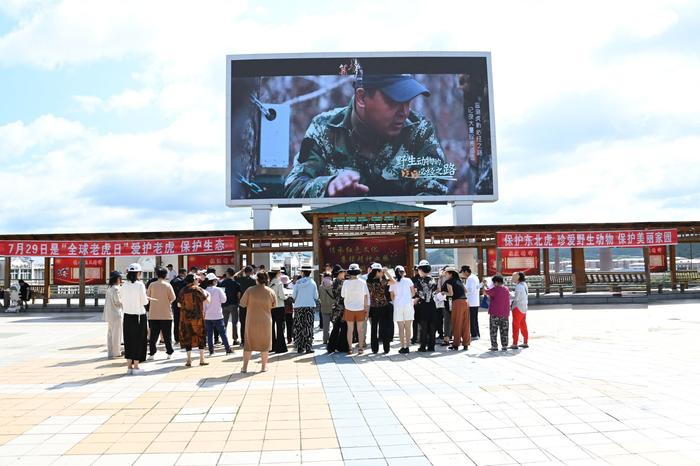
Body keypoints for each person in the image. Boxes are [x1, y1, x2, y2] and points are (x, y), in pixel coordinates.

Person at [284, 69, 449, 198]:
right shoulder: (325, 128)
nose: (404, 112)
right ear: (362, 98)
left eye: (408, 101)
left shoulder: (419, 131)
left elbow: (434, 194)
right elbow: (294, 186)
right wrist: (328, 187)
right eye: (395, 101)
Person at [239, 271, 275, 373]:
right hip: (265, 320)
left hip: (251, 320)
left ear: (256, 280)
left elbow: (242, 304)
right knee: (265, 344)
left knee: (249, 344)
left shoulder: (250, 290)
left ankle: (245, 367)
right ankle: (264, 367)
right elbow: (273, 305)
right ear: (267, 280)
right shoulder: (270, 291)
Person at [121, 263, 149, 374]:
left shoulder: (124, 285)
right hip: (139, 316)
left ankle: (129, 366)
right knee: (139, 340)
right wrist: (146, 299)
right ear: (138, 273)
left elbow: (122, 299)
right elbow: (144, 301)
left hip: (127, 315)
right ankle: (136, 366)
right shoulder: (140, 285)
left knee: (128, 340)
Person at [178, 273, 211, 366]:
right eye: (196, 279)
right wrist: (208, 294)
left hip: (185, 318)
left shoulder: (182, 290)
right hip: (197, 318)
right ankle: (202, 359)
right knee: (200, 336)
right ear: (193, 280)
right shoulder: (197, 289)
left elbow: (178, 304)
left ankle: (188, 360)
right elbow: (207, 301)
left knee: (187, 337)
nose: (198, 281)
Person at [146, 267, 176, 360]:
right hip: (166, 314)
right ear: (166, 275)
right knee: (167, 335)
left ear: (156, 274)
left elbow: (147, 297)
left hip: (153, 314)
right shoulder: (168, 285)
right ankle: (169, 352)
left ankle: (152, 353)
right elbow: (173, 298)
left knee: (153, 335)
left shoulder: (152, 285)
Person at [341, 263, 370, 354]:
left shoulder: (345, 282)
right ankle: (361, 348)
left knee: (350, 329)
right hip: (360, 308)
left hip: (349, 308)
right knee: (360, 330)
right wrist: (366, 309)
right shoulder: (363, 282)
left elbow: (343, 295)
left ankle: (350, 348)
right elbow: (366, 297)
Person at [202, 273, 232, 356]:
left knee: (209, 334)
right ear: (214, 281)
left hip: (207, 316)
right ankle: (228, 350)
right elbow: (224, 300)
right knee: (222, 333)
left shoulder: (204, 291)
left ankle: (211, 351)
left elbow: (203, 304)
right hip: (218, 315)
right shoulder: (218, 290)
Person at [366, 263, 394, 354]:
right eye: (381, 271)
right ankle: (386, 348)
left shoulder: (368, 281)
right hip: (383, 306)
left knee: (374, 328)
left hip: (374, 307)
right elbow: (393, 281)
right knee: (385, 328)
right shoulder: (382, 281)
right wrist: (387, 273)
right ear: (377, 272)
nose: (382, 273)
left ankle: (374, 349)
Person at [292, 265, 319, 354]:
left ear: (302, 273)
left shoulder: (298, 282)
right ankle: (308, 347)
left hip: (298, 306)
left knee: (299, 326)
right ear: (310, 272)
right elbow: (316, 296)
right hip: (309, 306)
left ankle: (300, 347)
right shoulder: (312, 282)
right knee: (308, 326)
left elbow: (293, 296)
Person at [414, 260, 438, 352]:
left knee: (423, 326)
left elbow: (420, 294)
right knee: (432, 326)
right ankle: (432, 346)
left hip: (423, 305)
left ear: (421, 270)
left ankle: (423, 346)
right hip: (432, 305)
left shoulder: (420, 281)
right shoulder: (433, 280)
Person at [390, 265, 415, 354]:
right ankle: (407, 346)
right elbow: (413, 293)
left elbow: (392, 296)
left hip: (398, 306)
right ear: (403, 272)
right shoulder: (408, 280)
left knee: (400, 328)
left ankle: (402, 346)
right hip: (408, 304)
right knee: (408, 327)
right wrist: (407, 298)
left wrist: (397, 301)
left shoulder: (393, 282)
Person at [444, 267, 470, 351]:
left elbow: (451, 293)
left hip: (457, 302)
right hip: (465, 302)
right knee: (465, 323)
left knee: (456, 323)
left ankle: (456, 344)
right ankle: (466, 344)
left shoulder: (448, 282)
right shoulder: (459, 281)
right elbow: (466, 291)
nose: (445, 275)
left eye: (446, 273)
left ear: (450, 274)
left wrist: (443, 293)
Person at [484, 275, 510, 352]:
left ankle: (494, 346)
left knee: (493, 330)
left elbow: (486, 292)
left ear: (496, 282)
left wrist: (485, 285)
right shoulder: (506, 289)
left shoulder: (495, 289)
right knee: (504, 330)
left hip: (494, 313)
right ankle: (504, 345)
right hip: (505, 313)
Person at [327, 265, 349, 353]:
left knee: (337, 327)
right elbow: (342, 296)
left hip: (337, 308)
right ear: (339, 273)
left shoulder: (336, 282)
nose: (344, 273)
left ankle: (332, 346)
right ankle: (340, 346)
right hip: (341, 308)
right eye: (343, 272)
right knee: (341, 327)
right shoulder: (339, 283)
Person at [235, 266, 257, 346]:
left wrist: (241, 270)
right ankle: (251, 339)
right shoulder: (254, 281)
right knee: (251, 322)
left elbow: (235, 276)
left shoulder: (241, 279)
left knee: (243, 322)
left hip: (242, 303)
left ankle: (243, 340)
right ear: (252, 272)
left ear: (245, 272)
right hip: (252, 303)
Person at [219, 268, 241, 345]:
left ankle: (223, 340)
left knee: (224, 322)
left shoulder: (222, 283)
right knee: (234, 323)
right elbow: (238, 295)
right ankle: (235, 339)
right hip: (234, 305)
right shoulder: (236, 284)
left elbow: (221, 295)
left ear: (227, 273)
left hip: (224, 305)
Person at [104, 271, 123, 359]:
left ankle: (110, 352)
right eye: (120, 278)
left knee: (110, 334)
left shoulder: (109, 288)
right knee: (117, 333)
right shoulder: (116, 289)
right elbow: (118, 301)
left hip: (109, 314)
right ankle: (116, 352)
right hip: (116, 313)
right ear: (117, 279)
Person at [269, 268, 287, 353]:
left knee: (271, 327)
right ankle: (280, 347)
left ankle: (272, 346)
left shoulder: (269, 283)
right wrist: (287, 297)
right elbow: (282, 296)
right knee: (280, 327)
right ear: (277, 273)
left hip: (270, 307)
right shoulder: (279, 283)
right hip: (279, 306)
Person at [510, 271, 529, 349]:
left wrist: (510, 294)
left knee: (515, 325)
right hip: (524, 307)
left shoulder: (518, 286)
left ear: (517, 277)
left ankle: (515, 343)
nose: (512, 278)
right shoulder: (524, 284)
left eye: (513, 277)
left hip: (517, 307)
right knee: (523, 324)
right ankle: (525, 341)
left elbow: (516, 298)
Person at [462, 265, 481, 341]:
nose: (463, 274)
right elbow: (477, 287)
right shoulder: (475, 277)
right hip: (476, 301)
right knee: (475, 319)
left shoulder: (469, 279)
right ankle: (477, 333)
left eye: (463, 272)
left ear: (466, 271)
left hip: (471, 301)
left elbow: (469, 290)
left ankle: (474, 334)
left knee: (471, 319)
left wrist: (462, 285)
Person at [170, 268, 187, 344]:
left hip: (174, 303)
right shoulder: (183, 282)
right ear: (183, 273)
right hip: (182, 303)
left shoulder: (172, 281)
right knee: (183, 320)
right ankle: (182, 336)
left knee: (176, 320)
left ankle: (176, 337)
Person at [437, 266, 452, 346]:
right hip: (441, 300)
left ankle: (448, 336)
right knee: (443, 318)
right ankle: (445, 335)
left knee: (447, 319)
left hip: (447, 301)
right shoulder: (441, 278)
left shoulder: (447, 279)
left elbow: (442, 289)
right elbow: (439, 288)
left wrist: (443, 293)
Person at [318, 273, 334, 345]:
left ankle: (325, 340)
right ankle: (333, 339)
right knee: (335, 325)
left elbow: (318, 297)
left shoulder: (321, 287)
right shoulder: (333, 286)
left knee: (325, 326)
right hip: (333, 308)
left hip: (324, 308)